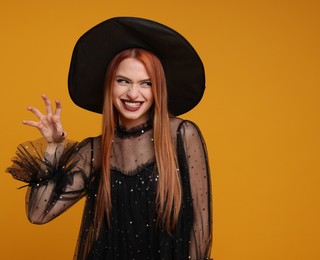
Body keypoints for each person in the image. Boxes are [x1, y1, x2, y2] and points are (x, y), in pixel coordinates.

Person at [7, 17, 212, 260]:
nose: (133, 93)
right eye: (123, 81)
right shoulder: (95, 150)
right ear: (109, 85)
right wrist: (53, 148)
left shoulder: (181, 135)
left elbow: (201, 224)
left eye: (145, 83)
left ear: (158, 88)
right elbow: (39, 214)